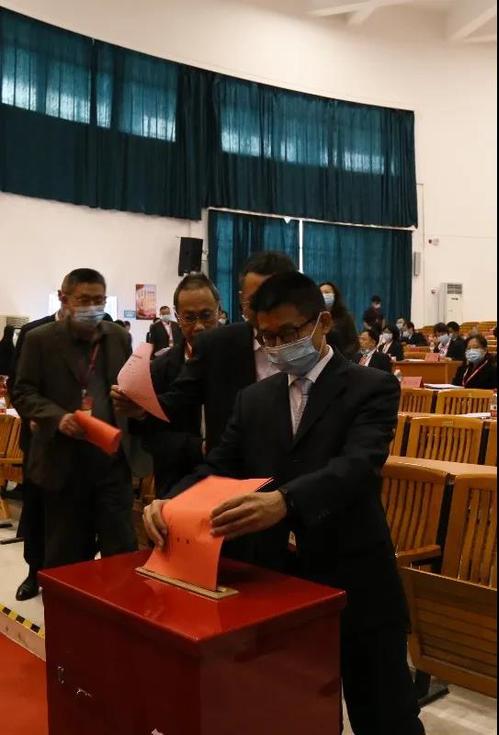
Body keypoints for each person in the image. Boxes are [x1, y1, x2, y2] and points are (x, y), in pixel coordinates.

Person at [143, 272, 425, 735]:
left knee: (385, 716)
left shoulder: (370, 386)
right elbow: (219, 466)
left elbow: (356, 466)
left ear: (322, 323)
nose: (278, 346)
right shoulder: (255, 399)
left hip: (356, 579)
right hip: (278, 583)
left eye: (289, 333)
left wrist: (285, 502)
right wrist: (169, 501)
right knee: (295, 714)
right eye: (267, 337)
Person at [12, 268, 150, 570]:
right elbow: (22, 392)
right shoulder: (39, 340)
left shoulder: (118, 336)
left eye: (99, 300)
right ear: (64, 299)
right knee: (67, 557)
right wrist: (57, 418)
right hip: (63, 464)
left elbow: (128, 385)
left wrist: (133, 403)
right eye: (84, 300)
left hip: (112, 464)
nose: (92, 308)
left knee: (122, 552)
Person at [112, 251, 298, 453]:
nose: (265, 309)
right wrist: (141, 407)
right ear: (242, 299)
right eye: (256, 301)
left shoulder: (313, 343)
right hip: (234, 466)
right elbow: (180, 400)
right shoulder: (218, 344)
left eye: (275, 300)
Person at [8, 280, 70, 601]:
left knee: (73, 515)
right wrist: (35, 416)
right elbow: (18, 385)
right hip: (39, 440)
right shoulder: (34, 332)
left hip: (78, 442)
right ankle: (34, 572)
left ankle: (69, 579)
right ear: (62, 297)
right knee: (36, 510)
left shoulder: (100, 333)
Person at [141, 274, 220, 497]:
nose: (199, 326)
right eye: (190, 318)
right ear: (177, 317)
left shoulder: (239, 359)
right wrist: (198, 447)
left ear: (218, 311)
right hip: (177, 482)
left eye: (206, 316)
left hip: (231, 481)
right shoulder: (159, 369)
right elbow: (151, 437)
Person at [319, 282, 359, 360]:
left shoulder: (345, 317)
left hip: (340, 360)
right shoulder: (314, 316)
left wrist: (343, 357)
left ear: (335, 295)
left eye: (327, 292)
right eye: (321, 293)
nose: (324, 295)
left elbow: (354, 343)